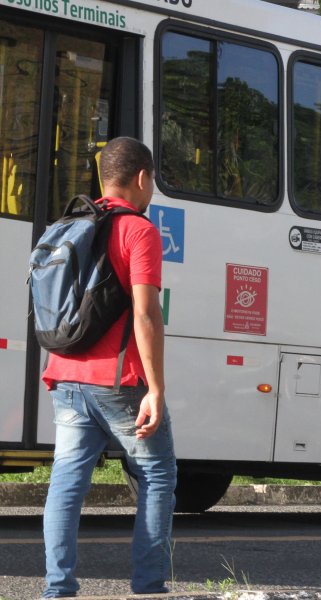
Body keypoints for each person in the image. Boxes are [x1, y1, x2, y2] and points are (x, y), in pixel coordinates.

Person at [41, 137, 176, 598]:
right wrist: (155, 389)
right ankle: (149, 586)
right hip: (120, 382)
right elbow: (145, 313)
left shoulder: (69, 223)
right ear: (141, 177)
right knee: (158, 475)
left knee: (66, 480)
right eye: (153, 179)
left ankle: (57, 589)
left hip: (64, 373)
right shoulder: (139, 231)